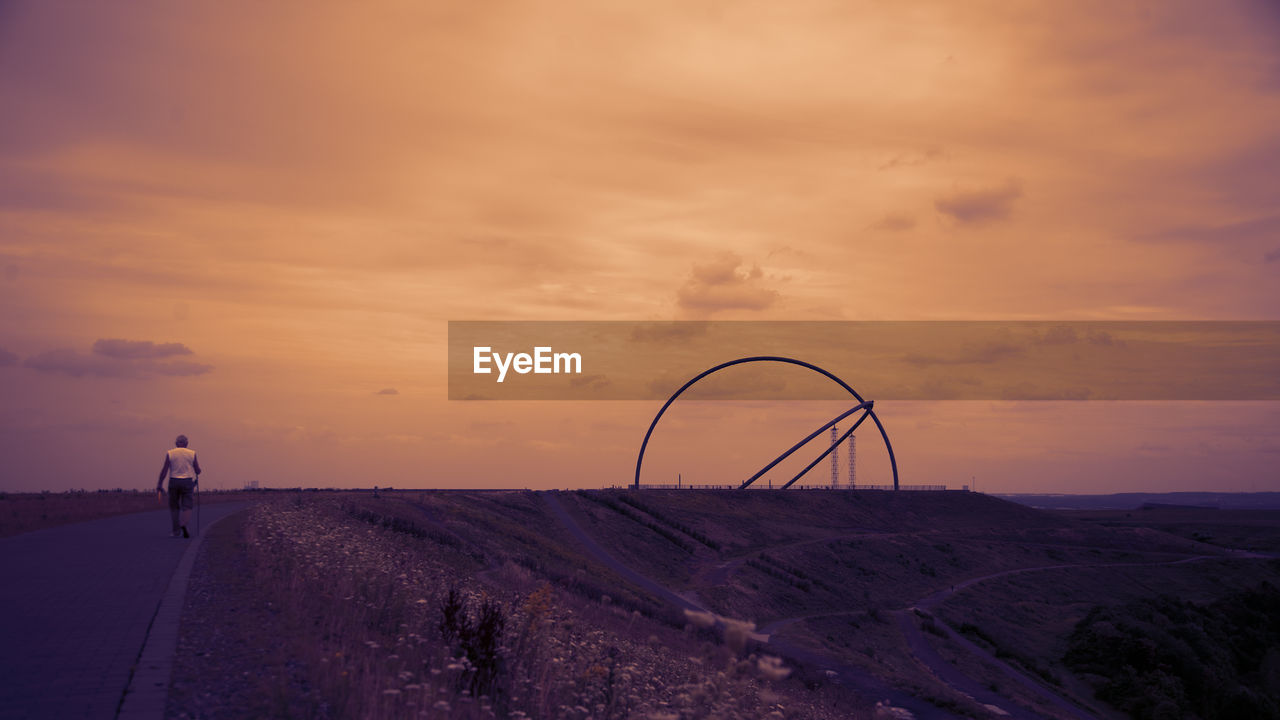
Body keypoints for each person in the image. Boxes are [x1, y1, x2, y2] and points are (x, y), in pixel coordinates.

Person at [157, 434, 201, 538]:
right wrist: (199, 471)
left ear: (176, 443)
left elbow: (164, 470)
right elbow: (197, 470)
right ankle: (184, 525)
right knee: (187, 505)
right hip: (187, 481)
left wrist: (159, 483)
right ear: (187, 444)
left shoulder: (170, 453)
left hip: (174, 481)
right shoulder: (192, 453)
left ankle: (176, 531)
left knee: (174, 507)